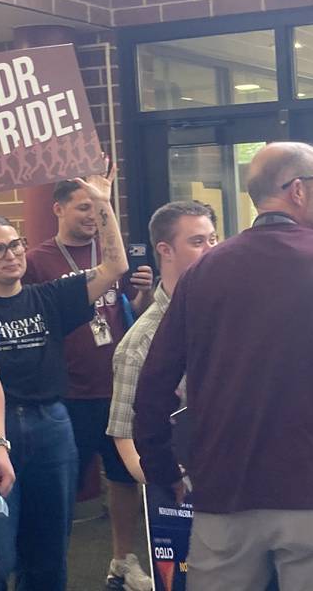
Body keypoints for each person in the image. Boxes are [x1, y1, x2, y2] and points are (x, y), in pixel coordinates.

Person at [133, 142, 313, 591]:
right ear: (297, 190)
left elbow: (155, 382)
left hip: (224, 489)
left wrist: (164, 472)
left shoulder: (205, 271)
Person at [0, 162, 129, 591]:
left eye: (15, 245)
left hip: (52, 423)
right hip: (2, 427)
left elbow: (113, 267)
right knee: (1, 555)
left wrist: (105, 206)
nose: (12, 255)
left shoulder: (47, 297)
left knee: (50, 551)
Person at [106, 200, 218, 483]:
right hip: (192, 487)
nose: (211, 249)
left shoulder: (231, 313)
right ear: (165, 250)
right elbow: (125, 435)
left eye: (213, 239)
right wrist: (169, 484)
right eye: (198, 241)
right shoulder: (140, 342)